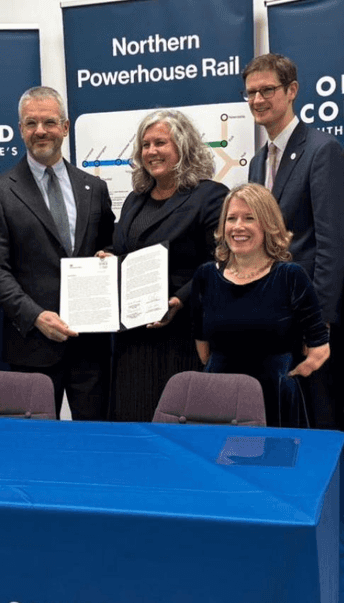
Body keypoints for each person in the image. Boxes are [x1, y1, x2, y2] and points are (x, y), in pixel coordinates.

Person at [0, 87, 116, 419]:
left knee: (96, 437)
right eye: (31, 123)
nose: (41, 130)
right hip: (32, 345)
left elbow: (111, 245)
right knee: (35, 442)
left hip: (90, 344)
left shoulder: (94, 188)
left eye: (49, 122)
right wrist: (35, 316)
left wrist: (110, 259)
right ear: (21, 129)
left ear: (65, 127)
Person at [244, 53, 344, 428]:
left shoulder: (322, 151)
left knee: (315, 426)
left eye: (267, 90)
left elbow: (332, 246)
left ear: (292, 91)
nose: (258, 100)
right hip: (269, 322)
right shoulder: (258, 162)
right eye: (251, 93)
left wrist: (318, 326)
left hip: (306, 324)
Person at [106, 110, 228, 422]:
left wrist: (180, 299)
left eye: (160, 143)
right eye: (145, 145)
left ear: (184, 147)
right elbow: (124, 250)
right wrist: (106, 259)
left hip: (182, 333)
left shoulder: (210, 196)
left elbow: (221, 261)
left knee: (178, 429)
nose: (151, 151)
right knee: (133, 426)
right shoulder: (135, 199)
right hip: (133, 340)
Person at [191, 183, 329, 427]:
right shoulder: (205, 276)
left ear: (268, 224)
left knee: (266, 454)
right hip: (219, 402)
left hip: (275, 404)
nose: (238, 226)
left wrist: (287, 381)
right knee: (222, 453)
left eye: (249, 218)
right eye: (231, 218)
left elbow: (320, 349)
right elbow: (203, 351)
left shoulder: (291, 276)